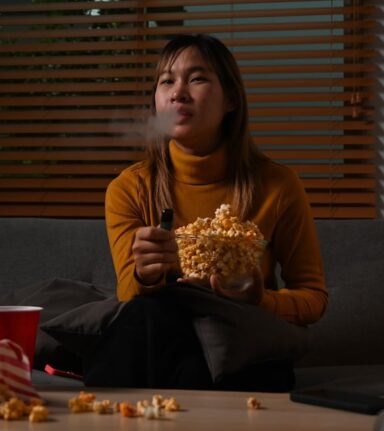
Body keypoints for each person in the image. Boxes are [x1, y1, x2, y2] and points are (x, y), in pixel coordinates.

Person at [84, 34, 327, 391]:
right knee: (148, 316)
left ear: (230, 99)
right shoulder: (129, 189)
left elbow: (313, 298)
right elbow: (128, 296)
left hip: (244, 340)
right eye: (166, 81)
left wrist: (259, 300)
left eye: (196, 79)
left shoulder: (278, 185)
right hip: (159, 337)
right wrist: (146, 276)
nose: (177, 93)